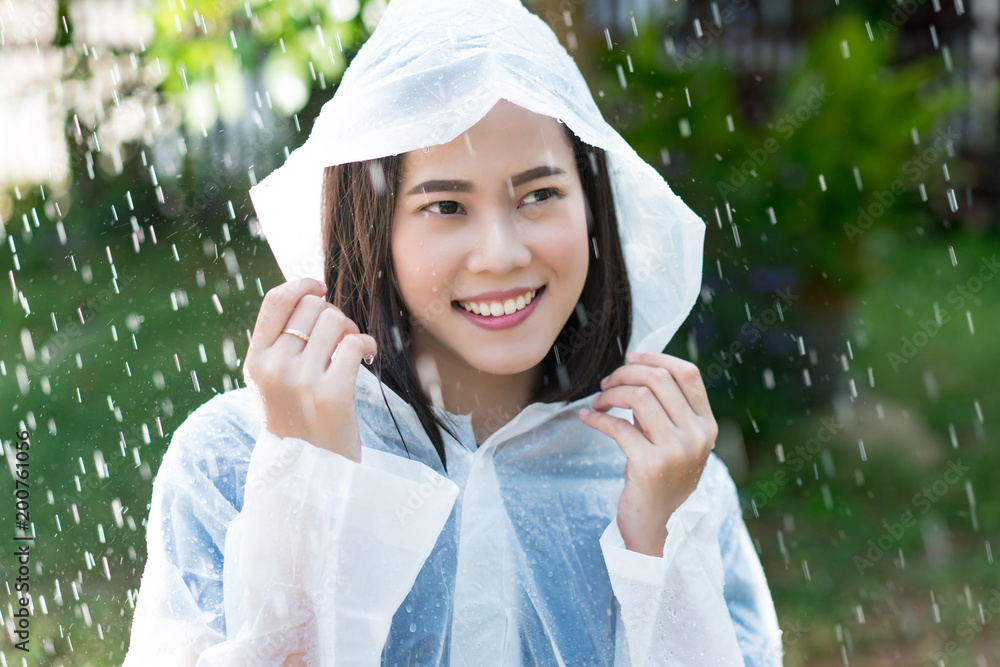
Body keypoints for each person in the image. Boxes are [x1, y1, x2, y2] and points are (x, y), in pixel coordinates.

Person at [123, 0, 783, 664]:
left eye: (539, 194)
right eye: (445, 205)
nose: (500, 253)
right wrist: (308, 481)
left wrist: (653, 544)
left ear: (593, 203)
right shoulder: (232, 459)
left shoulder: (662, 470)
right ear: (372, 225)